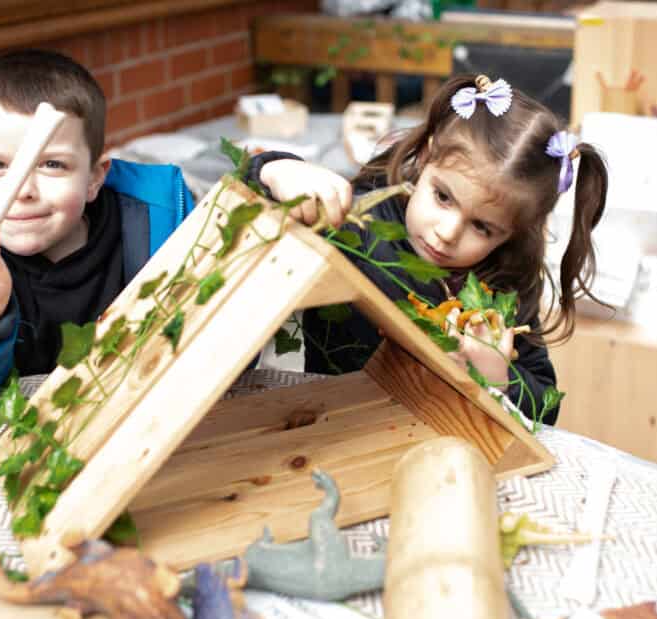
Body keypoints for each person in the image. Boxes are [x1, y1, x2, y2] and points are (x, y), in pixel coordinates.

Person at [247, 74, 608, 424]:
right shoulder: (353, 224)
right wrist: (276, 171)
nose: (447, 233)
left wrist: (500, 377)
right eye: (443, 196)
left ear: (512, 233)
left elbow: (546, 408)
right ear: (425, 155)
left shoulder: (504, 280)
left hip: (438, 444)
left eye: (482, 227)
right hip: (333, 427)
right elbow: (236, 216)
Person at [0, 49, 195, 407]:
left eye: (51, 164)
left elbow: (229, 343)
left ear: (95, 176)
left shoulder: (156, 223)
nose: (23, 190)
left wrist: (263, 177)